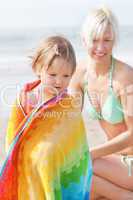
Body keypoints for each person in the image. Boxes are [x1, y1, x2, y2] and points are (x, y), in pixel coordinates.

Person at [0, 36, 92, 199]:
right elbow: (12, 138)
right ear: (38, 69)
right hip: (27, 165)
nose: (59, 81)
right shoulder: (25, 98)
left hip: (54, 170)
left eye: (66, 76)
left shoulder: (68, 106)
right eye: (52, 74)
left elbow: (77, 148)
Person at [69, 6, 133, 200]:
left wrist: (90, 153)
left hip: (129, 162)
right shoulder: (80, 73)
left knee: (85, 167)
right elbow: (68, 120)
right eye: (95, 40)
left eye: (107, 40)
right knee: (83, 189)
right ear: (83, 40)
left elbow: (132, 135)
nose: (101, 47)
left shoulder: (125, 77)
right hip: (114, 161)